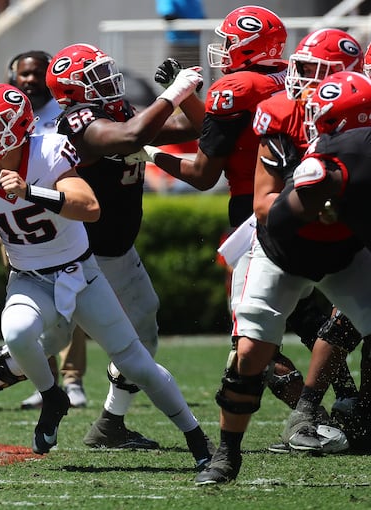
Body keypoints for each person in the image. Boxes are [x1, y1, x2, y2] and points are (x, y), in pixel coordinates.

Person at [0, 83, 214, 467]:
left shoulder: (47, 151)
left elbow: (89, 207)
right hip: (28, 278)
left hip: (79, 274)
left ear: (18, 125)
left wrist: (31, 192)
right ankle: (53, 396)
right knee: (17, 334)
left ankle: (198, 440)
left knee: (137, 363)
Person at [138, 9, 360, 440]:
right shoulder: (281, 79)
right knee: (314, 313)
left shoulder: (237, 85)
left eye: (230, 41)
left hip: (255, 209)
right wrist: (181, 102)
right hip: (308, 197)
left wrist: (147, 152)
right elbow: (225, 131)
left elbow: (205, 171)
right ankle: (348, 400)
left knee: (251, 336)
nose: (223, 50)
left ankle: (312, 418)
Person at [192, 68, 371, 484]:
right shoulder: (281, 121)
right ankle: (227, 455)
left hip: (344, 255)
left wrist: (345, 199)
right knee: (251, 352)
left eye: (327, 122)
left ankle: (360, 415)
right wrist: (311, 198)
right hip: (282, 254)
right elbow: (269, 213)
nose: (314, 123)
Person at [45, 43, 205, 449]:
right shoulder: (78, 120)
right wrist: (171, 95)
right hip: (81, 252)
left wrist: (185, 96)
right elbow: (130, 136)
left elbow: (193, 129)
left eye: (105, 71)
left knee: (142, 331)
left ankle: (110, 423)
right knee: (44, 338)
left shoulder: (116, 112)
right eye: (94, 76)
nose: (107, 80)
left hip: (116, 250)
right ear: (71, 92)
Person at [251, 28, 364, 453]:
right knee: (257, 332)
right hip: (285, 230)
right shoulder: (282, 111)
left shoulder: (359, 113)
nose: (300, 78)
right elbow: (265, 201)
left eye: (313, 70)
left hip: (347, 234)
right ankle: (315, 411)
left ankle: (351, 407)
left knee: (349, 319)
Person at [8, 50, 89, 410]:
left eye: (36, 73)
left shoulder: (64, 117)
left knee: (72, 302)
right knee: (34, 309)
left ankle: (73, 381)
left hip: (61, 221)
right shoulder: (7, 117)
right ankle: (47, 380)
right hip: (20, 225)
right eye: (22, 75)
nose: (28, 80)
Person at [155, 0, 206, 67]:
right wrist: (192, 27)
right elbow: (168, 16)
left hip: (197, 46)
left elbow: (203, 17)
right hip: (178, 45)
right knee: (176, 74)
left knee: (201, 73)